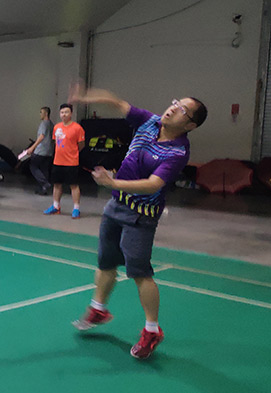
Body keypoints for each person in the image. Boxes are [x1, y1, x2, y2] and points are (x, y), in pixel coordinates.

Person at [69, 85, 207, 360]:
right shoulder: (149, 121)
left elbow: (153, 184)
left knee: (139, 272)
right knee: (106, 262)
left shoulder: (177, 152)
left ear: (190, 125)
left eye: (182, 109)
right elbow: (118, 103)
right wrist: (86, 97)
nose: (173, 108)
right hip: (115, 206)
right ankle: (99, 309)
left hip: (140, 215)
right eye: (175, 102)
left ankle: (152, 330)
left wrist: (112, 183)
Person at [43, 103, 85, 219]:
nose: (64, 114)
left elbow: (81, 144)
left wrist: (72, 153)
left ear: (71, 113)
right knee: (57, 184)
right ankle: (56, 206)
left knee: (73, 185)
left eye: (66, 112)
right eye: (62, 112)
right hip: (57, 161)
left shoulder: (77, 128)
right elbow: (55, 142)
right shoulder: (56, 127)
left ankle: (76, 208)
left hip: (71, 162)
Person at [19, 106, 54, 196]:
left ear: (46, 113)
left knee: (33, 166)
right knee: (44, 169)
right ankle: (43, 189)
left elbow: (41, 136)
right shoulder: (51, 124)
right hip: (49, 151)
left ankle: (44, 183)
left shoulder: (43, 124)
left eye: (41, 112)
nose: (40, 114)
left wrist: (32, 147)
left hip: (41, 150)